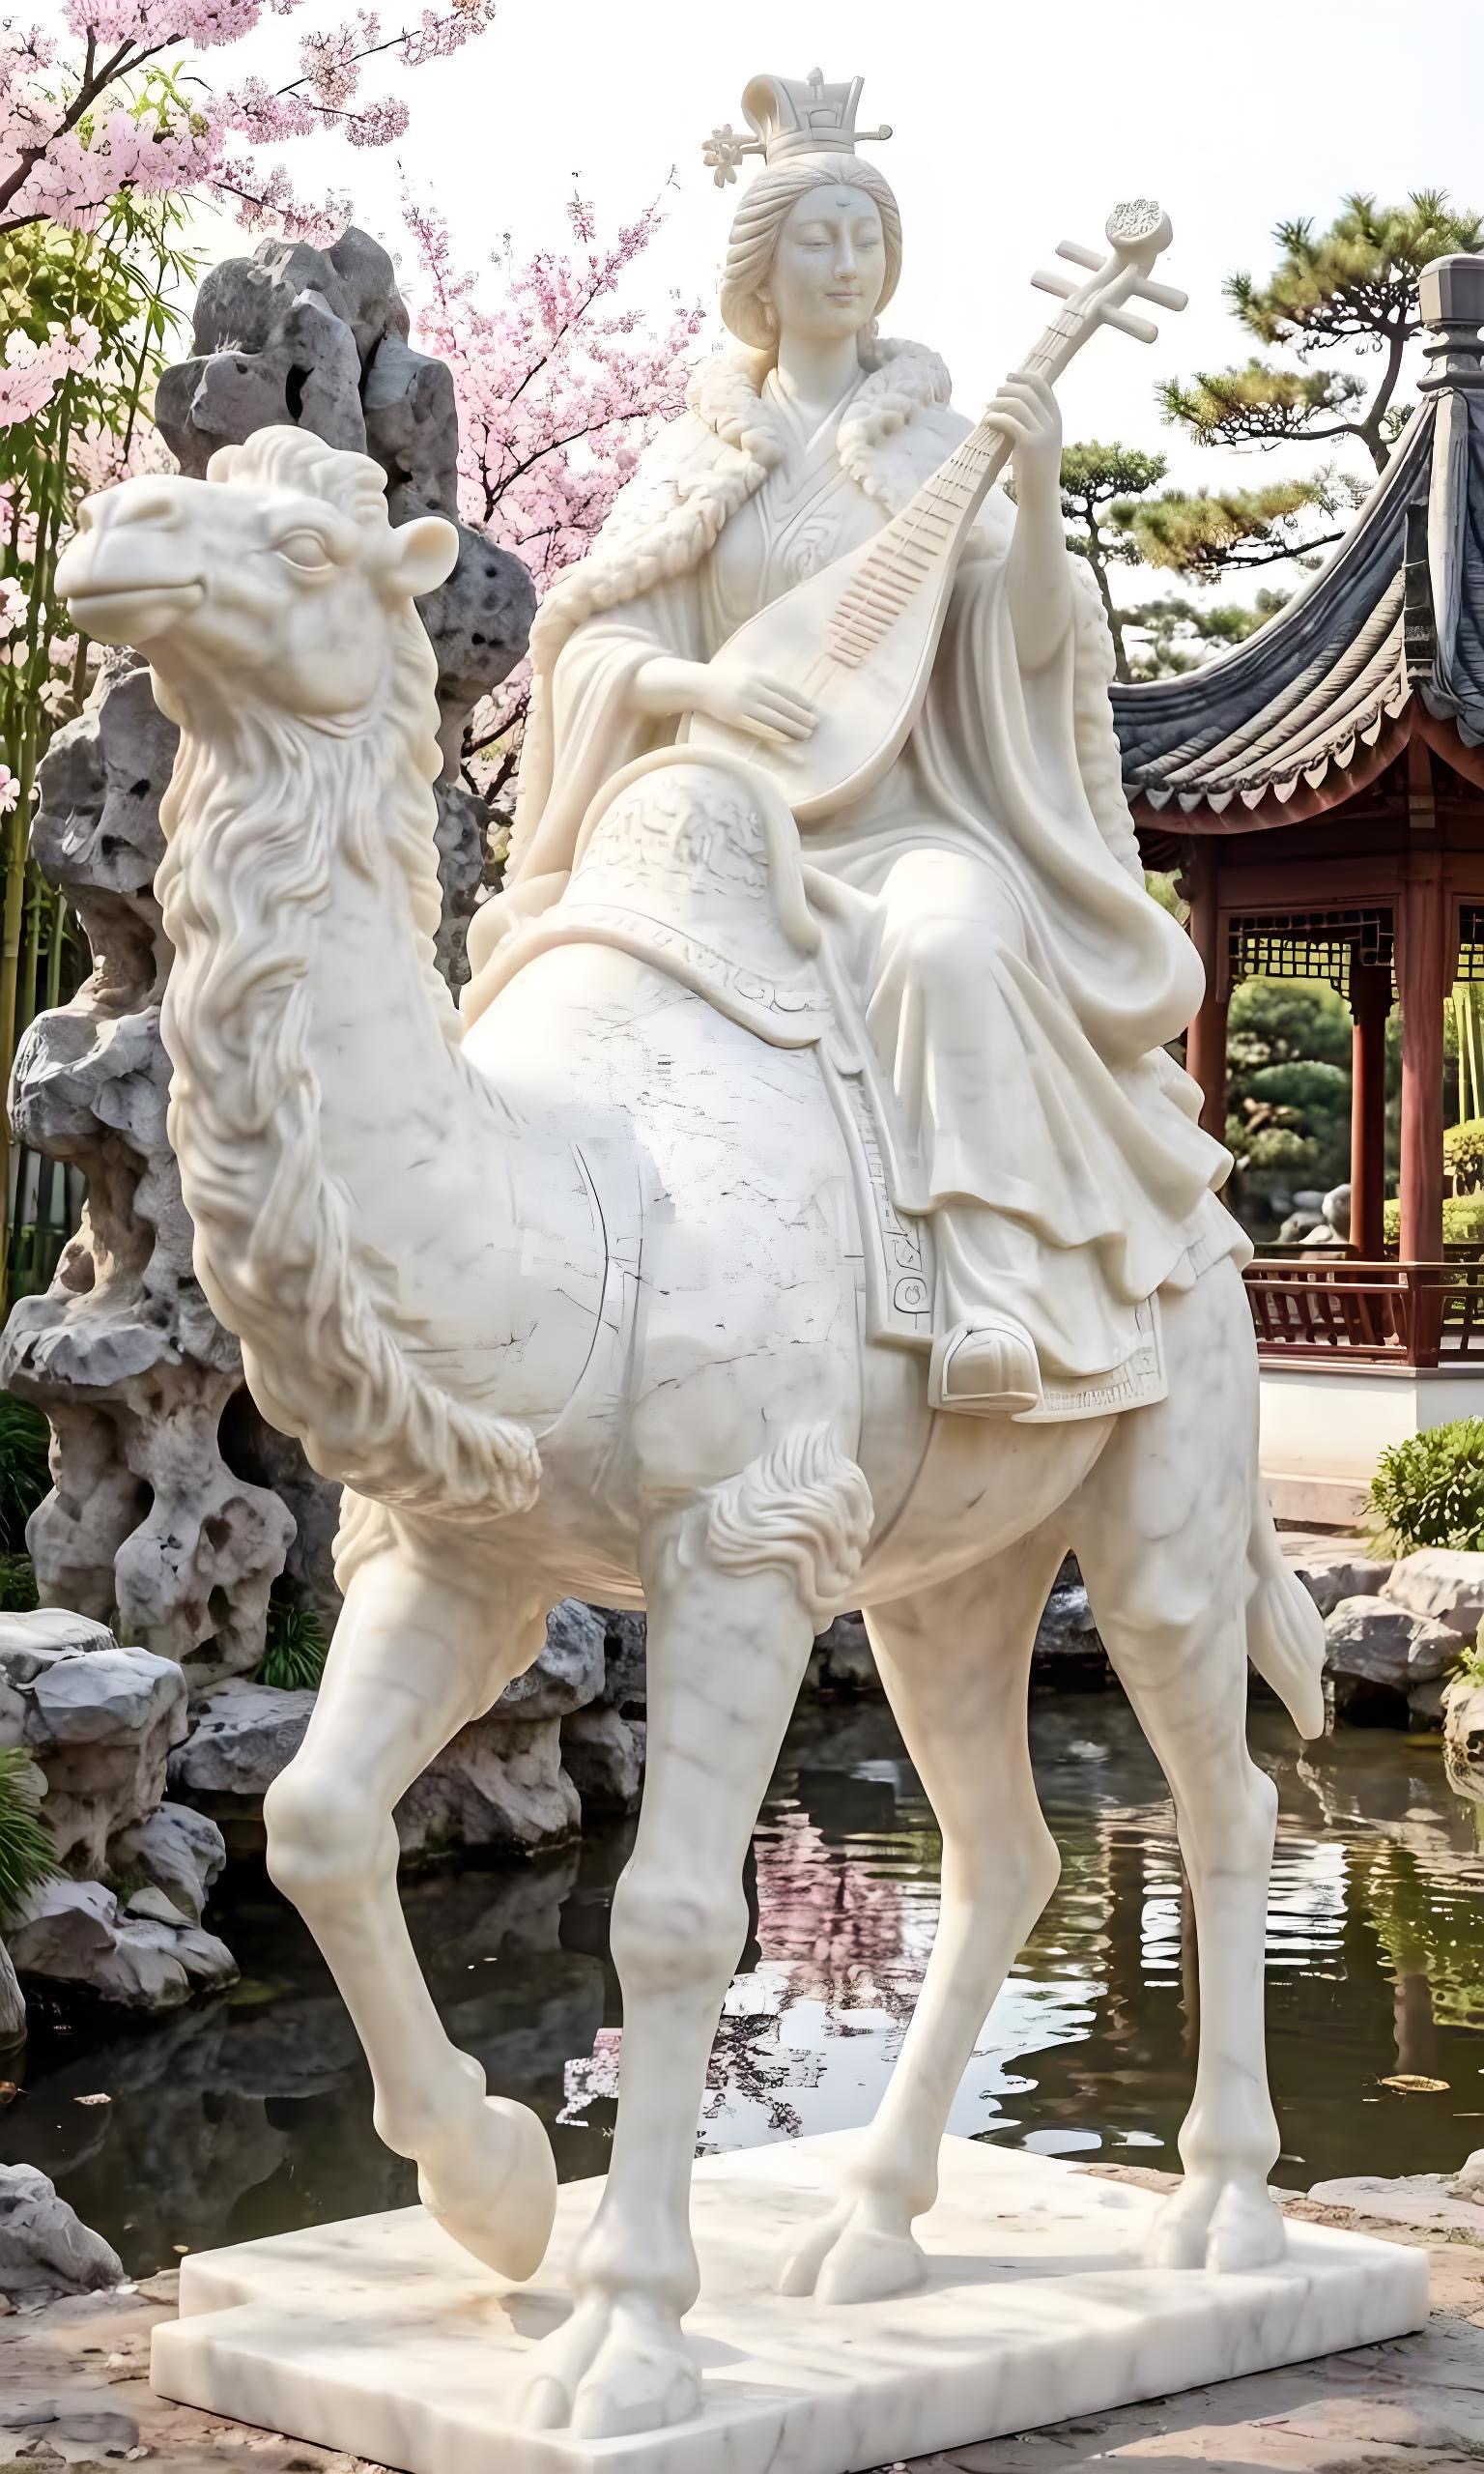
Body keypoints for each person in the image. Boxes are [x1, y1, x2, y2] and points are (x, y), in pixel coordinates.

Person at [467, 70, 1238, 1419]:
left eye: (865, 238)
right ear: (759, 274)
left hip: (900, 826)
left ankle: (996, 1282)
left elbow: (1028, 644)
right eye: (816, 238)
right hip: (709, 829)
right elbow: (589, 643)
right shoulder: (700, 456)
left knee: (952, 943)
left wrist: (1037, 484)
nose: (844, 263)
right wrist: (696, 686)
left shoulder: (939, 446)